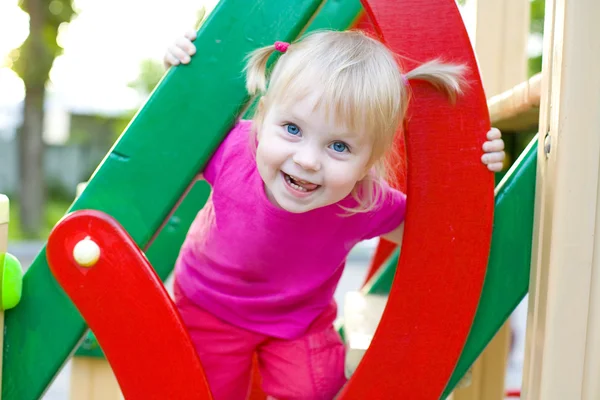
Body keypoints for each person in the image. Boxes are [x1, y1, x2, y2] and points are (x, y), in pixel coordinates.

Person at [164, 29, 505, 400]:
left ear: (368, 163)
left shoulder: (362, 201)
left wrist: (470, 170)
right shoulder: (230, 150)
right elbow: (172, 134)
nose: (307, 160)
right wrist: (177, 76)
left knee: (315, 389)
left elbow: (439, 230)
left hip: (299, 323)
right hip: (208, 306)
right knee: (204, 392)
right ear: (262, 119)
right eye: (292, 129)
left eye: (339, 146)